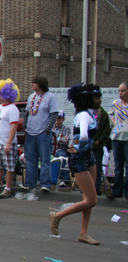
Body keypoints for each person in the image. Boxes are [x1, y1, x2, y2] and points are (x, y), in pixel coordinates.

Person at [50, 84, 102, 244]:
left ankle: (83, 233)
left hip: (88, 157)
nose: (99, 100)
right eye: (96, 97)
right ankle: (58, 215)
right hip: (79, 158)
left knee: (88, 197)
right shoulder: (84, 115)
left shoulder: (88, 114)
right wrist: (79, 147)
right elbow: (84, 135)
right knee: (92, 200)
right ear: (88, 99)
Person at [22, 77, 59, 192]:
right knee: (30, 160)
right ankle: (30, 183)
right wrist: (25, 126)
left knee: (45, 159)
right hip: (30, 133)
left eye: (35, 82)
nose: (32, 84)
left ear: (41, 84)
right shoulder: (31, 97)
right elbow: (27, 113)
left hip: (43, 133)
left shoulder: (50, 97)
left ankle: (45, 184)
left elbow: (54, 114)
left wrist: (47, 130)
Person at [108, 82, 128, 200]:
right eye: (119, 91)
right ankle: (117, 190)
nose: (120, 93)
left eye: (123, 91)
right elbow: (110, 115)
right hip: (116, 137)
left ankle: (127, 191)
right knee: (118, 165)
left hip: (127, 138)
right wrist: (114, 122)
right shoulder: (115, 104)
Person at [90, 91, 111, 195]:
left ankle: (96, 190)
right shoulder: (86, 113)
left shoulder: (103, 114)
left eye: (99, 98)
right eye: (96, 98)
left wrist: (98, 141)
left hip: (97, 147)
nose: (99, 100)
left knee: (97, 169)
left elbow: (107, 131)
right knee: (86, 169)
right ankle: (85, 189)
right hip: (87, 147)